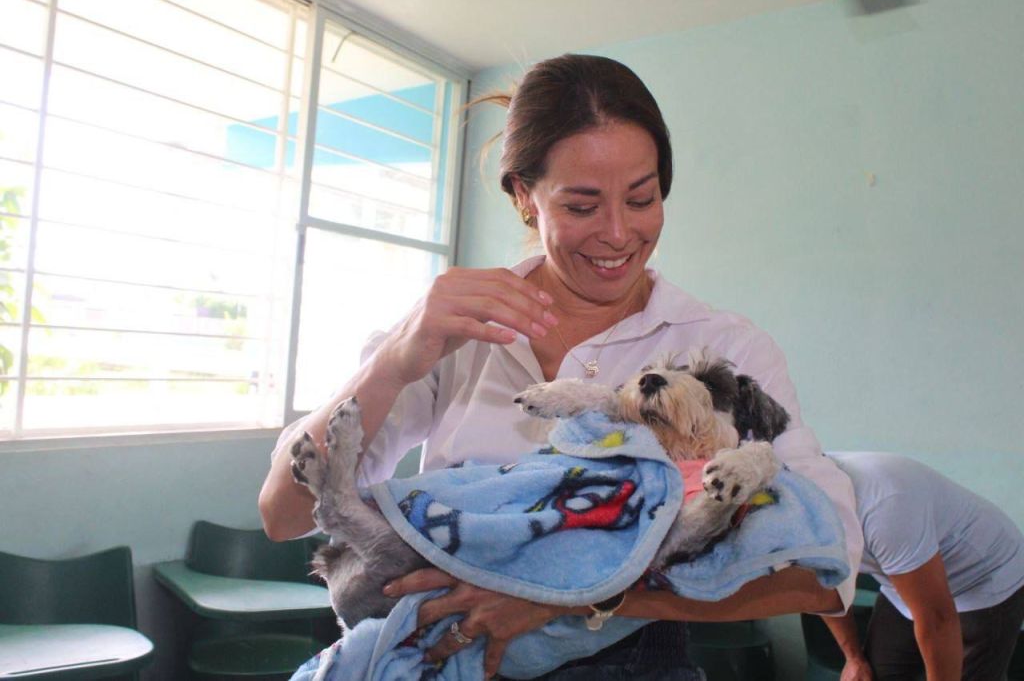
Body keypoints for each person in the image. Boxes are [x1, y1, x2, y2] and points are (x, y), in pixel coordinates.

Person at [259, 53, 864, 680]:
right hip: (436, 650)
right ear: (524, 196)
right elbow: (283, 514)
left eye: (642, 198)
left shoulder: (722, 351)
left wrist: (586, 596)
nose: (618, 233)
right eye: (581, 206)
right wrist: (391, 363)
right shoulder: (457, 332)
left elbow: (829, 566)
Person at [822, 451, 1024, 681]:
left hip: (983, 577)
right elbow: (823, 584)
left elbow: (937, 619)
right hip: (905, 578)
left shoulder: (883, 505)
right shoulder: (788, 513)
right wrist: (854, 659)